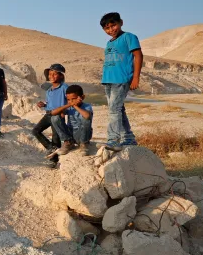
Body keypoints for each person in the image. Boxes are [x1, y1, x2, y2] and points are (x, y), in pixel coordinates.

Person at [100, 12, 142, 151]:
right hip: (108, 80)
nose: (111, 29)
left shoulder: (128, 37)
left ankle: (113, 140)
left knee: (114, 110)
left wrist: (135, 77)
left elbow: (138, 55)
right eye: (107, 28)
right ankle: (128, 138)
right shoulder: (109, 42)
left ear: (121, 23)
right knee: (119, 109)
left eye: (113, 25)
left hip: (121, 79)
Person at [31, 64, 75, 166]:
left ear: (61, 76)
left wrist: (65, 111)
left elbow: (70, 101)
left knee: (55, 137)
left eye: (55, 74)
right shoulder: (49, 90)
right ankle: (52, 148)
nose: (52, 76)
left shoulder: (64, 88)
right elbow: (50, 103)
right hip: (48, 114)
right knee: (35, 131)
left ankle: (54, 161)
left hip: (58, 115)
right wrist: (44, 104)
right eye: (50, 74)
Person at [47, 84, 93, 156]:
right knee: (54, 118)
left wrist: (75, 106)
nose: (71, 101)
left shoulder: (87, 106)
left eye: (73, 99)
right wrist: (68, 105)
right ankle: (68, 142)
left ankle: (83, 144)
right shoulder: (69, 106)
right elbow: (53, 113)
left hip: (82, 134)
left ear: (82, 97)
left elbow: (87, 116)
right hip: (70, 133)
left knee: (86, 119)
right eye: (68, 99)